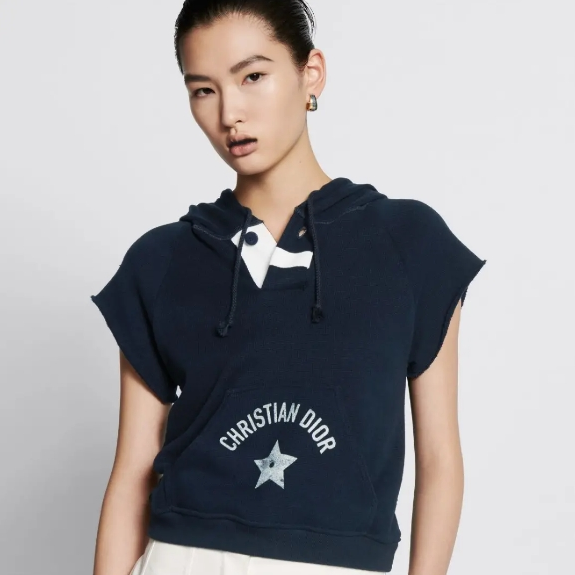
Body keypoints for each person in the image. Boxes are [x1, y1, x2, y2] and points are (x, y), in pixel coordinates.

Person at [90, 1, 487, 574]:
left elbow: (441, 458)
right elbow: (132, 470)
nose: (230, 113)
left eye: (252, 76)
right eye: (203, 90)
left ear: (311, 73)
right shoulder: (162, 261)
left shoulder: (408, 243)